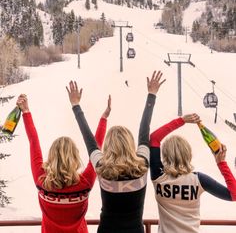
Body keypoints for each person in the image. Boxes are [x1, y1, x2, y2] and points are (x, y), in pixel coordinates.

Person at [66, 70, 166, 233]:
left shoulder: (102, 168)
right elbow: (144, 132)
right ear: (129, 143)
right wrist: (151, 95)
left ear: (108, 145)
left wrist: (76, 105)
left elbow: (89, 141)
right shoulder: (142, 165)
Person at [17, 93, 111, 233]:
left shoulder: (41, 180)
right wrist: (104, 119)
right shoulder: (85, 183)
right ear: (74, 157)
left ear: (52, 156)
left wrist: (25, 112)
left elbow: (33, 142)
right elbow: (95, 148)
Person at [149, 115, 234, 233]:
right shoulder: (198, 180)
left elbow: (154, 138)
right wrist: (221, 163)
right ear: (188, 154)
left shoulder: (159, 177)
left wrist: (182, 120)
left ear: (165, 155)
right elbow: (233, 195)